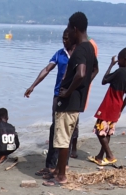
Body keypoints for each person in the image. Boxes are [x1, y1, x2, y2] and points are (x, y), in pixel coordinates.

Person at [45, 12, 98, 187]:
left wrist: (68, 92)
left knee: (61, 139)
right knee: (65, 138)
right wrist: (83, 87)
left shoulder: (82, 49)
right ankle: (60, 172)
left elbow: (82, 73)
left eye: (69, 28)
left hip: (68, 103)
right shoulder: (90, 48)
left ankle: (61, 176)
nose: (67, 32)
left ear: (75, 29)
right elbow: (94, 70)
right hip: (77, 102)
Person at [25, 29, 78, 177]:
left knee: (67, 130)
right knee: (55, 129)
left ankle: (61, 166)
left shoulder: (78, 54)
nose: (64, 41)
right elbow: (47, 69)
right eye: (63, 38)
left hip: (72, 97)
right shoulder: (59, 53)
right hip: (58, 96)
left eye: (67, 39)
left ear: (73, 39)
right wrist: (33, 86)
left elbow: (90, 72)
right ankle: (52, 165)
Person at [91, 47, 126, 166]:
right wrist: (121, 109)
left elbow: (104, 80)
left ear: (125, 59)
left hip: (109, 104)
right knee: (107, 131)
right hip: (118, 105)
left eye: (119, 60)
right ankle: (100, 157)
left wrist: (111, 65)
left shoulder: (120, 71)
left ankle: (109, 155)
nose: (118, 62)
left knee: (99, 130)